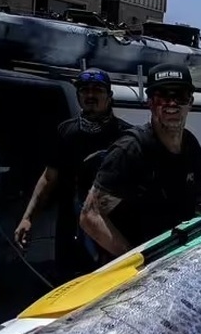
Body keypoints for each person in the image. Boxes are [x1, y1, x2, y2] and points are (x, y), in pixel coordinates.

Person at [79, 64, 201, 259]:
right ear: (150, 102)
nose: (171, 103)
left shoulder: (191, 146)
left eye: (180, 96)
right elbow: (90, 216)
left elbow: (197, 194)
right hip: (139, 264)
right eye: (162, 96)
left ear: (190, 102)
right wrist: (136, 260)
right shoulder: (130, 151)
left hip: (175, 254)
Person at [14, 68, 133, 281]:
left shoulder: (127, 136)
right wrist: (28, 218)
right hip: (71, 233)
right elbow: (49, 179)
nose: (90, 95)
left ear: (109, 96)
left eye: (97, 90)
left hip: (112, 232)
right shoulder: (65, 132)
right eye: (84, 90)